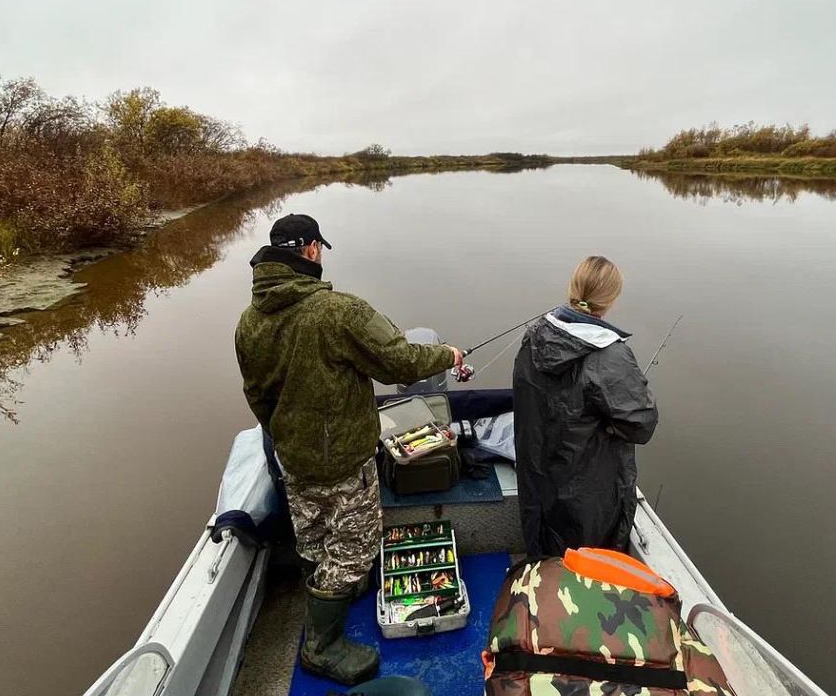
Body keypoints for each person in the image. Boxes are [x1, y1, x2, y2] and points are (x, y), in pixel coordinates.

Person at [235, 214, 462, 686]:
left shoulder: (249, 320)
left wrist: (285, 434)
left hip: (292, 457)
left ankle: (326, 593)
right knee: (356, 549)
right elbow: (401, 361)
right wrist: (448, 355)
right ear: (312, 250)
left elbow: (256, 394)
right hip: (342, 461)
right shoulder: (339, 311)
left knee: (314, 536)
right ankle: (322, 646)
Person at [512, 255, 659, 557]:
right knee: (585, 569)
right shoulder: (611, 356)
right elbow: (642, 424)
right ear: (611, 300)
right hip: (586, 498)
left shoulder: (533, 337)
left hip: (537, 481)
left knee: (546, 556)